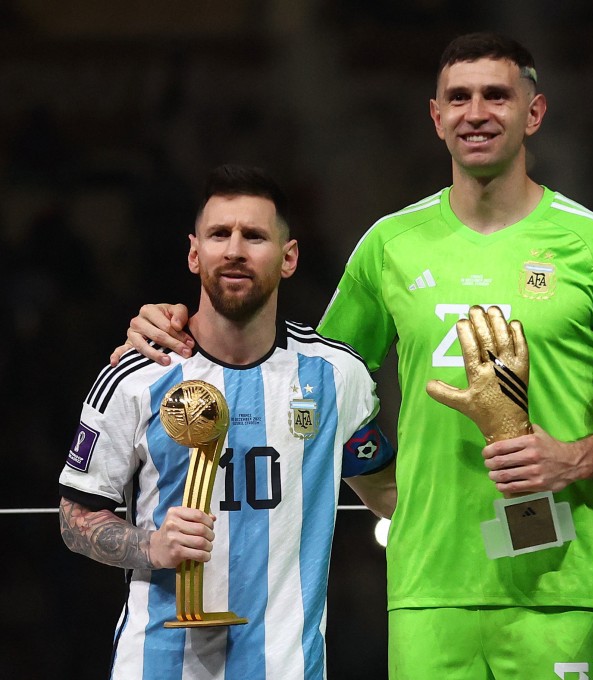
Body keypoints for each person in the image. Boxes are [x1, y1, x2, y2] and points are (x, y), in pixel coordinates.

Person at [111, 33, 593, 679]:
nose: (475, 112)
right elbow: (311, 380)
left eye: (496, 96)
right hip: (427, 592)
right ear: (436, 117)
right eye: (459, 97)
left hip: (564, 588)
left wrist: (574, 458)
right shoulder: (390, 246)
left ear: (533, 114)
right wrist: (180, 328)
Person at [59, 164, 396, 680]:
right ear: (194, 252)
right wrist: (150, 547)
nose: (235, 249)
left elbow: (389, 489)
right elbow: (75, 517)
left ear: (289, 258)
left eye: (254, 236)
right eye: (220, 234)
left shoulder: (336, 376)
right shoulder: (134, 375)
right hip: (155, 665)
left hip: (286, 667)